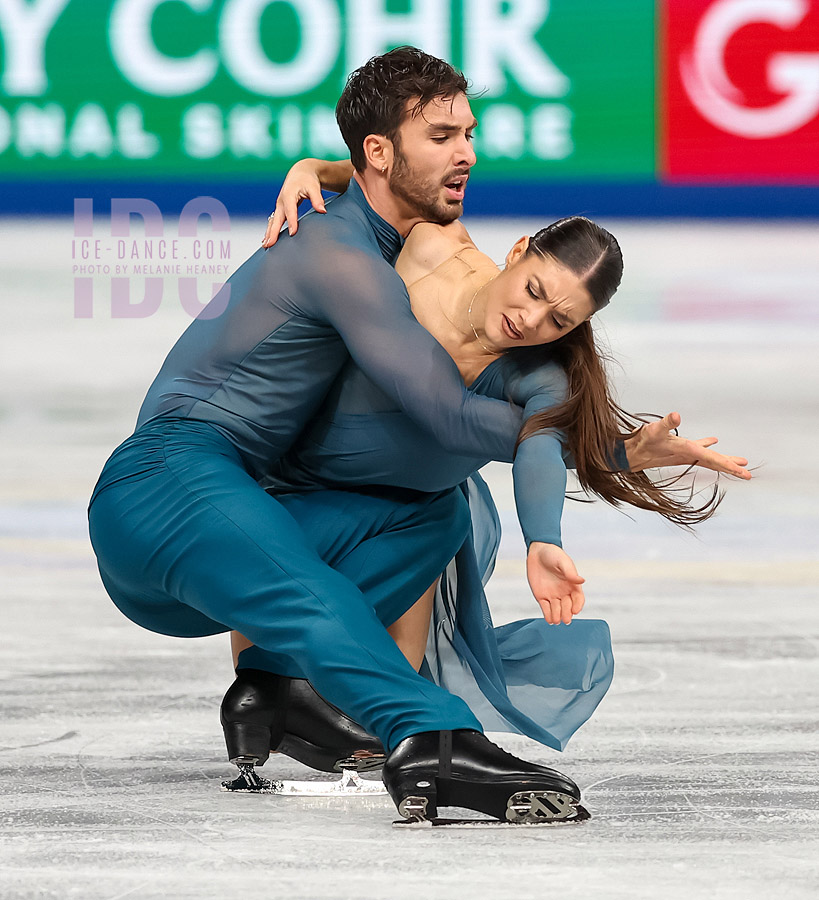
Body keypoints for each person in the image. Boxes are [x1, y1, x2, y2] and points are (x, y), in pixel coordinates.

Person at [88, 47, 746, 824]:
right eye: (441, 135)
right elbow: (444, 414)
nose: (464, 151)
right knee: (309, 595)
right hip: (165, 479)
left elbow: (379, 186)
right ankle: (431, 736)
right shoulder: (341, 257)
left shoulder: (391, 235)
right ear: (381, 149)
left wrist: (318, 165)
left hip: (211, 525)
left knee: (433, 513)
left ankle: (277, 693)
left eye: (468, 132)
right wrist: (605, 449)